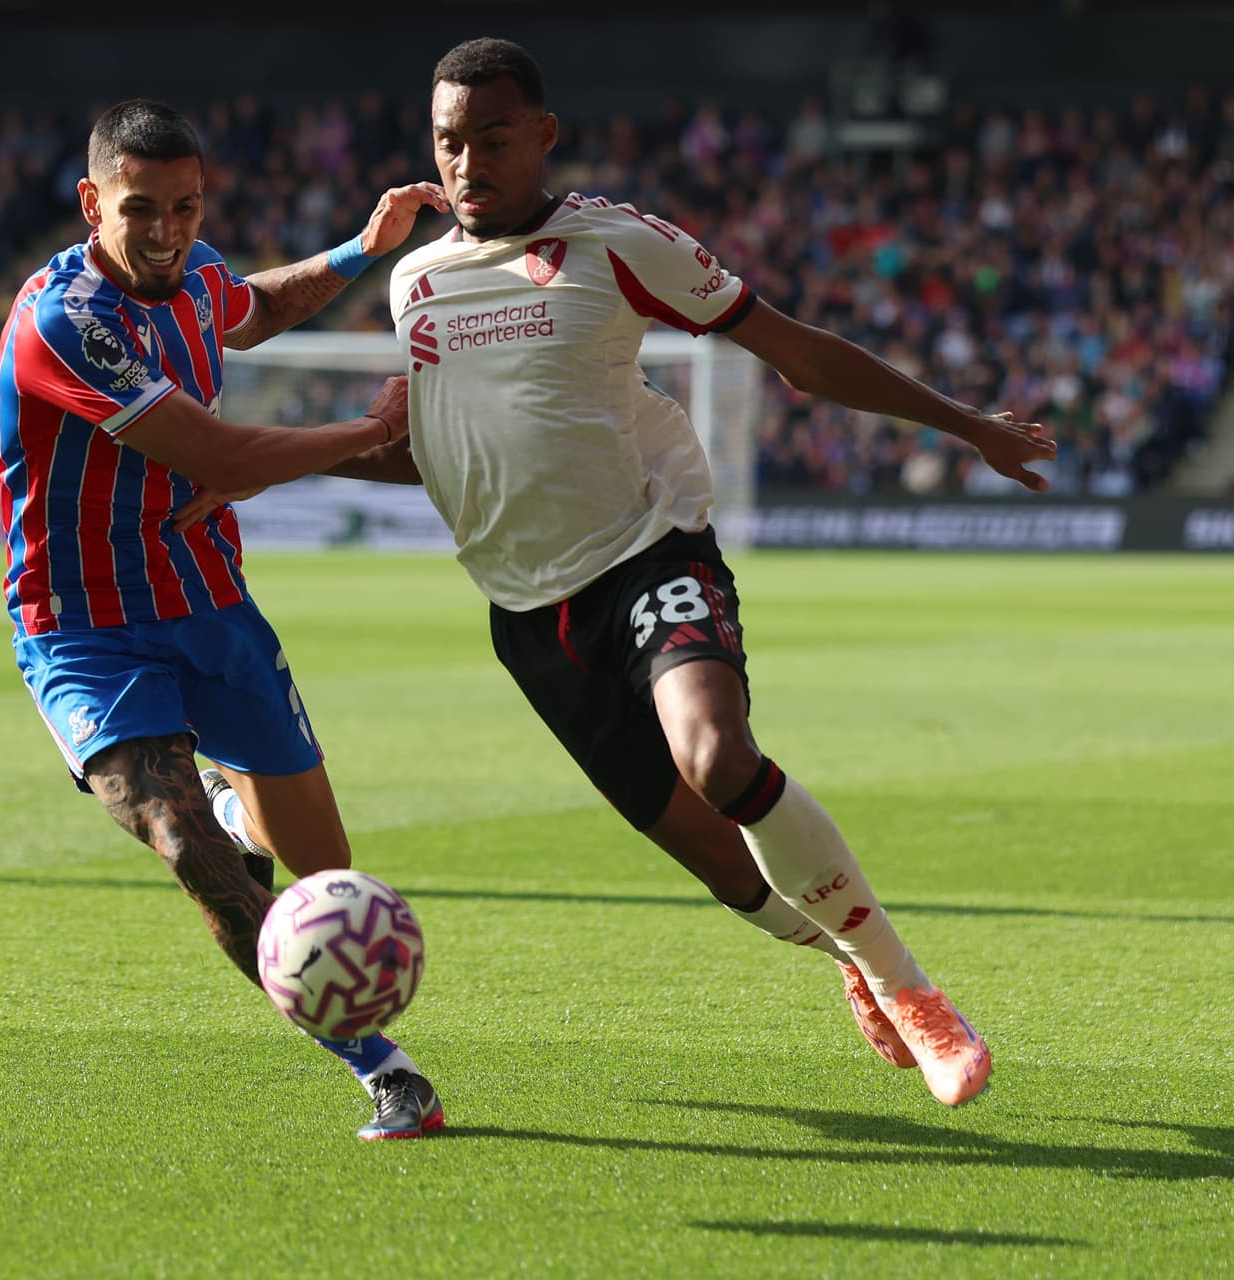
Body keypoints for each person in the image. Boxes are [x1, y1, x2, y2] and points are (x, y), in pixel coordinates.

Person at [356, 39, 1057, 1107]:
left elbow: (793, 349)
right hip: (524, 615)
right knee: (732, 869)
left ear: (541, 135)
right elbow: (447, 444)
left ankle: (911, 988)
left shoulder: (615, 243)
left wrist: (965, 426)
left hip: (649, 551)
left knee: (718, 755)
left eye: (491, 139)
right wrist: (252, 471)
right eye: (449, 143)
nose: (466, 163)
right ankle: (845, 957)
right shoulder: (413, 282)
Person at [0, 99, 449, 1139]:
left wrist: (358, 251)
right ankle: (383, 1066)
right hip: (85, 627)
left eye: (187, 208)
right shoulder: (69, 318)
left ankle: (241, 810)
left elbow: (243, 307)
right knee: (176, 831)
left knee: (327, 874)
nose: (166, 231)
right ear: (90, 201)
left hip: (211, 603)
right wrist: (373, 428)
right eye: (140, 210)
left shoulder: (190, 272)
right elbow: (229, 461)